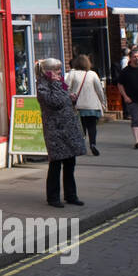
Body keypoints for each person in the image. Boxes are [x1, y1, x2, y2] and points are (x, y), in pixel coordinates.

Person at [35, 58, 85, 208]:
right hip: (55, 131)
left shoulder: (60, 83)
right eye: (56, 70)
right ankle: (53, 197)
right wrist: (57, 85)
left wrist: (72, 98)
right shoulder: (42, 87)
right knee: (55, 165)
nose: (59, 72)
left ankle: (71, 195)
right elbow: (55, 102)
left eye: (60, 69)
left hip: (68, 129)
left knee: (70, 163)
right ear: (48, 71)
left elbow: (64, 101)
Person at [66, 54, 108, 156]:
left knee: (81, 127)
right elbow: (99, 90)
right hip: (92, 105)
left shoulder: (72, 74)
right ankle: (93, 144)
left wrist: (70, 95)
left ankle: (81, 146)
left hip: (78, 106)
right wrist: (103, 102)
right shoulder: (93, 74)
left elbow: (65, 87)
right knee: (92, 126)